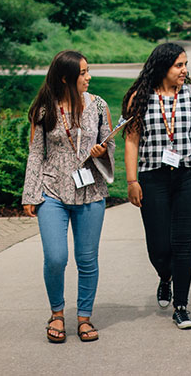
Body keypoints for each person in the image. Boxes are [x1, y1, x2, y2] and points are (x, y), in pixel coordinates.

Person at [122, 42, 191, 329]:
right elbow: (131, 141)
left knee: (183, 244)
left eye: (185, 64)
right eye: (179, 65)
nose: (184, 70)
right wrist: (132, 181)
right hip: (154, 178)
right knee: (159, 248)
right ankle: (165, 276)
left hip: (189, 175)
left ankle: (181, 306)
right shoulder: (138, 97)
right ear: (163, 66)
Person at [22, 50, 115, 343]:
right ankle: (57, 314)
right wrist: (30, 193)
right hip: (52, 191)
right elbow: (36, 153)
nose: (89, 77)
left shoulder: (99, 105)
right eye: (83, 73)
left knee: (87, 259)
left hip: (91, 190)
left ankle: (84, 317)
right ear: (66, 78)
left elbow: (109, 143)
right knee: (55, 257)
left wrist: (101, 151)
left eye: (89, 71)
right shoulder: (44, 109)